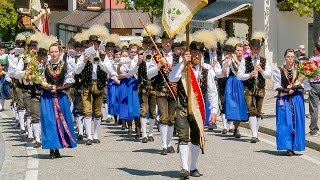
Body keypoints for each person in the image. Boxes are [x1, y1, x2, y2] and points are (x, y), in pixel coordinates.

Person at [169, 40, 219, 178]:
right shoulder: (181, 67)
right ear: (189, 54)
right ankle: (184, 167)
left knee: (196, 138)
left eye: (199, 53)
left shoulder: (206, 70)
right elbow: (172, 78)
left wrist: (214, 110)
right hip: (182, 107)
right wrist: (183, 64)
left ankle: (193, 167)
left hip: (198, 110)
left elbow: (212, 91)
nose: (196, 56)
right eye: (194, 53)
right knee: (183, 137)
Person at [75, 25, 119, 145]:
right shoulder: (83, 56)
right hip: (87, 85)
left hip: (99, 85)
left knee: (98, 111)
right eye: (91, 44)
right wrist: (84, 61)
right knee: (87, 111)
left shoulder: (103, 57)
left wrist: (99, 60)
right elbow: (77, 71)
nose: (93, 46)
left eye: (95, 44)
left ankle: (95, 134)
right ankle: (89, 136)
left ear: (98, 44)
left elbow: (109, 70)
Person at [40, 43, 77, 158]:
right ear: (49, 53)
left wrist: (60, 88)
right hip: (47, 96)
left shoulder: (65, 64)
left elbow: (71, 80)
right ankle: (52, 148)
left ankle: (58, 147)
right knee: (49, 122)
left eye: (56, 51)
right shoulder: (44, 65)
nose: (54, 54)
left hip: (60, 95)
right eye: (52, 52)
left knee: (61, 121)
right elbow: (39, 80)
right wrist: (49, 87)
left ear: (60, 52)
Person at [272, 48, 310, 155]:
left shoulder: (300, 70)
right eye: (288, 57)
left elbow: (305, 85)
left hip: (297, 98)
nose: (290, 59)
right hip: (284, 98)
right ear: (285, 57)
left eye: (292, 57)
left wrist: (296, 86)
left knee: (296, 121)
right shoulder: (279, 70)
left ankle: (295, 145)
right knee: (285, 122)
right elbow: (276, 85)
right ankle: (288, 146)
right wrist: (286, 90)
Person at [237, 32, 272, 143]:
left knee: (258, 111)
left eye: (257, 48)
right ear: (251, 48)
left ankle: (255, 132)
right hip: (249, 89)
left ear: (259, 49)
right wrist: (249, 75)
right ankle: (254, 134)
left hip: (260, 88)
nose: (255, 50)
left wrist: (261, 70)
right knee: (251, 110)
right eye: (253, 48)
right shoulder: (245, 60)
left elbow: (269, 75)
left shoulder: (264, 60)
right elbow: (239, 76)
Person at [148, 31, 179, 155]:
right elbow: (149, 74)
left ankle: (169, 143)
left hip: (173, 89)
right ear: (161, 42)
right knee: (164, 117)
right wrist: (159, 65)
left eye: (170, 41)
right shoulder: (156, 56)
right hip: (160, 90)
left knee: (172, 118)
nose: (167, 43)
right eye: (165, 41)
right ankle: (164, 145)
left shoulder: (178, 57)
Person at [222, 42, 248, 137]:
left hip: (241, 83)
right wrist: (225, 63)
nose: (239, 52)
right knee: (232, 105)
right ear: (234, 51)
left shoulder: (244, 60)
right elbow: (224, 73)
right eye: (238, 50)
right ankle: (234, 127)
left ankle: (237, 128)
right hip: (232, 82)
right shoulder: (230, 60)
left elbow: (241, 71)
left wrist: (236, 61)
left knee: (240, 106)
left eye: (241, 50)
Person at [308, 41, 320, 136]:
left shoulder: (313, 60)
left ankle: (314, 130)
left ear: (316, 48)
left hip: (315, 85)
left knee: (314, 108)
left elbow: (307, 73)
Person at [0, 42, 11, 111]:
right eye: (0, 50)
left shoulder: (7, 56)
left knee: (4, 89)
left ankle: (2, 106)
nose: (1, 51)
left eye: (2, 50)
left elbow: (9, 66)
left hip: (5, 74)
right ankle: (0, 105)